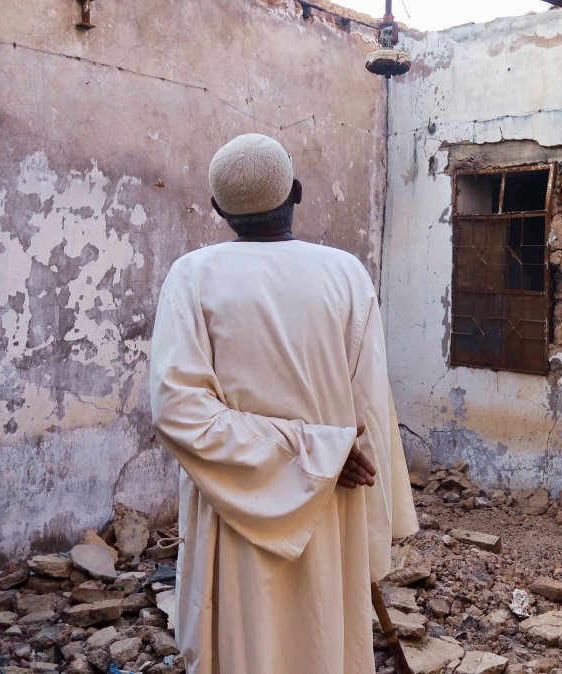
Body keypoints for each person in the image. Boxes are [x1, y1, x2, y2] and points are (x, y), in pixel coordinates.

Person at [149, 133, 417, 674]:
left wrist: (305, 455)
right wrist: (324, 454)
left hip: (235, 500)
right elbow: (370, 402)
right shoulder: (345, 273)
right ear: (296, 192)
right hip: (333, 494)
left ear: (218, 209)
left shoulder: (192, 275)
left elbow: (177, 409)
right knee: (323, 642)